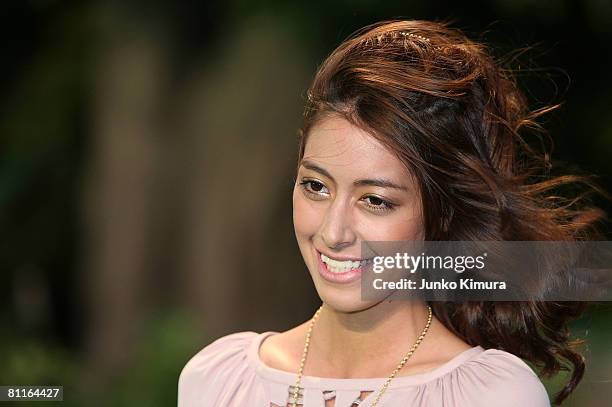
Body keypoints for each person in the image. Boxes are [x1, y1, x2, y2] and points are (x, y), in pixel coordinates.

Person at [178, 19, 606, 406]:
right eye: (315, 186)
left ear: (439, 212)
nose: (333, 231)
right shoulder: (217, 381)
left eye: (375, 200)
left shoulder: (490, 395)